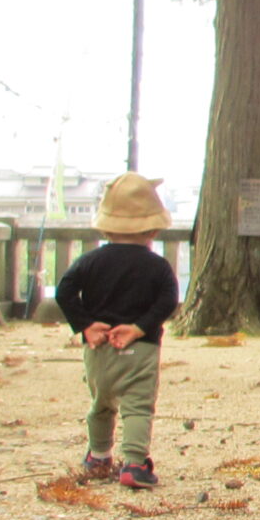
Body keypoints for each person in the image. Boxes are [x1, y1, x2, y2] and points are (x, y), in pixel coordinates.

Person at [55, 173, 180, 490]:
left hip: (99, 347)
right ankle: (135, 463)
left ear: (105, 226)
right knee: (137, 407)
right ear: (153, 229)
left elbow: (64, 291)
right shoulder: (157, 266)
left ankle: (98, 456)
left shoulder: (89, 261)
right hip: (140, 348)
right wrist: (139, 327)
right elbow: (168, 301)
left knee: (101, 403)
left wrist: (86, 325)